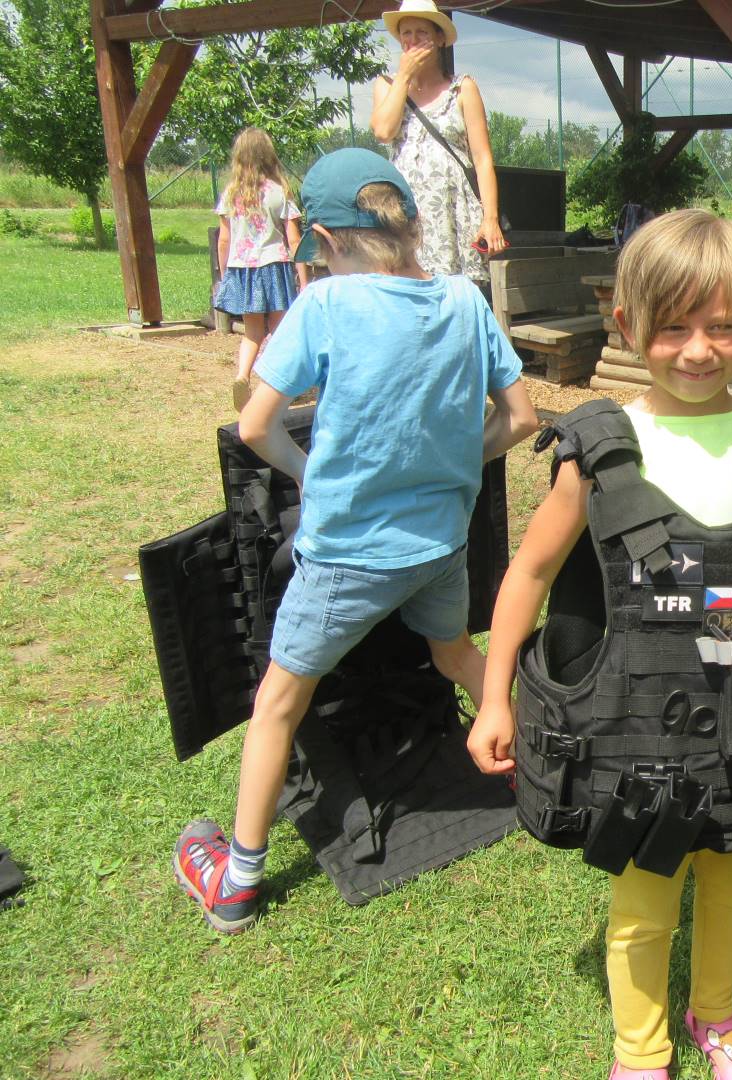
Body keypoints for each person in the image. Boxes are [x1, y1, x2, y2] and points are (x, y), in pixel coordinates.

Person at [467, 209, 732, 1080]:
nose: (698, 350)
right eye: (673, 328)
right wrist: (495, 695)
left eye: (721, 327)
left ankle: (718, 1018)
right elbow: (529, 574)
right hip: (640, 748)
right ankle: (639, 1053)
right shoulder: (601, 451)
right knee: (645, 908)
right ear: (628, 326)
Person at [172, 149, 538, 934]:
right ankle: (534, 767)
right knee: (455, 654)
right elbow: (522, 418)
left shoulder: (324, 305)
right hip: (440, 548)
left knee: (277, 702)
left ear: (328, 240)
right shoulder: (465, 301)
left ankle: (235, 883)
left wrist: (311, 475)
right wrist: (452, 463)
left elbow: (255, 426)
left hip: (347, 559)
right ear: (408, 225)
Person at [370, 0, 506, 286]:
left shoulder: (462, 88)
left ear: (440, 39)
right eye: (406, 33)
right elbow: (383, 131)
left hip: (454, 214)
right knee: (407, 292)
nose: (413, 40)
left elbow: (482, 159)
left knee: (455, 295)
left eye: (422, 32)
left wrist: (491, 219)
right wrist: (404, 76)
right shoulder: (387, 85)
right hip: (406, 217)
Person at [212, 126, 308, 411]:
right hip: (274, 267)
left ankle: (242, 376)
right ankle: (279, 385)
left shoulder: (231, 194)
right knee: (280, 330)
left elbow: (224, 240)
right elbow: (294, 239)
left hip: (243, 269)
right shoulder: (279, 192)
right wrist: (304, 279)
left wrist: (225, 275)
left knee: (252, 332)